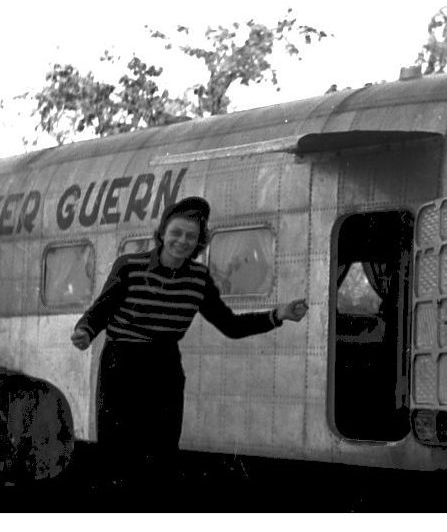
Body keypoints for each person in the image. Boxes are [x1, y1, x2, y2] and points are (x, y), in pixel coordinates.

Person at [70, 195, 307, 507]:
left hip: (164, 364)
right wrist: (85, 330)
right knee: (118, 453)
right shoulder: (129, 266)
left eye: (190, 236)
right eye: (176, 233)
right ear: (163, 233)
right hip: (122, 362)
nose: (182, 241)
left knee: (162, 454)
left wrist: (278, 315)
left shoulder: (198, 279)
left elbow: (230, 325)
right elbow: (102, 308)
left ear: (199, 241)